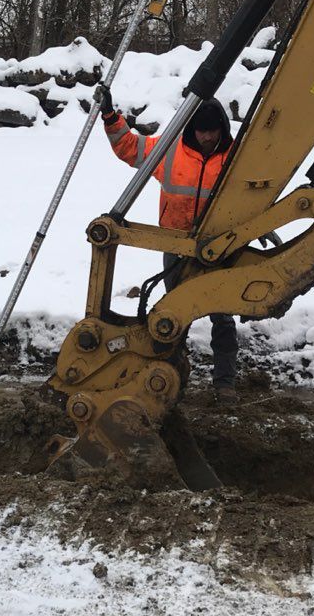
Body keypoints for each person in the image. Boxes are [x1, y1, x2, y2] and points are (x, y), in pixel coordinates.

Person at [99, 88, 239, 402]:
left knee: (222, 316)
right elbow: (129, 146)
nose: (206, 137)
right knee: (175, 313)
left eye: (212, 131)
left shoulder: (236, 158)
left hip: (218, 249)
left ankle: (225, 384)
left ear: (222, 129)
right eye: (202, 130)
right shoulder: (170, 149)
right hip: (176, 247)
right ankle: (169, 376)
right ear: (192, 128)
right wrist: (110, 116)